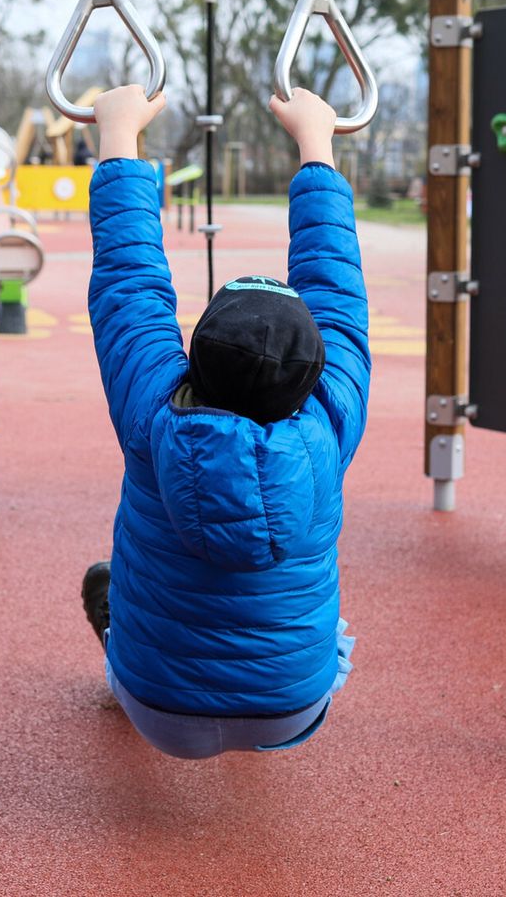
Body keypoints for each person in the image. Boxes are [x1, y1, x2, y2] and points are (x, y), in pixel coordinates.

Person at [80, 84, 370, 759]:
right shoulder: (330, 422)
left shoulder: (154, 409)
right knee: (319, 623)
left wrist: (119, 136)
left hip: (158, 709)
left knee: (116, 584)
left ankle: (123, 646)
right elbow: (338, 291)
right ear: (315, 367)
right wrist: (316, 144)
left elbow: (130, 287)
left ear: (195, 355)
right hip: (293, 710)